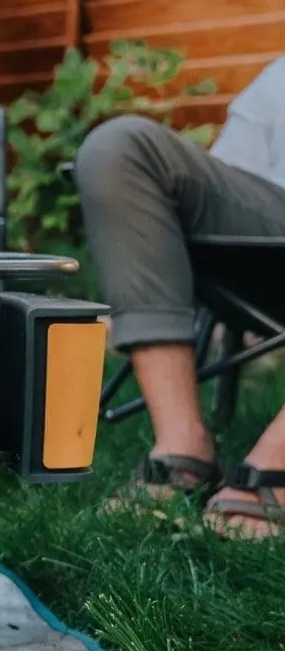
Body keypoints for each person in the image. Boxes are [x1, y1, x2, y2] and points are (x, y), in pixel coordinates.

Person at [75, 56, 285, 538]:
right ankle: (183, 445)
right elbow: (231, 176)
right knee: (116, 146)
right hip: (267, 241)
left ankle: (276, 459)